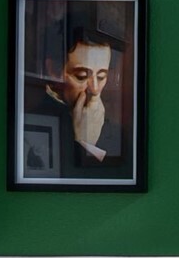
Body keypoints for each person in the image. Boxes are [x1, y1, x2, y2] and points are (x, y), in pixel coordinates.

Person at [26, 25, 128, 177]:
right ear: (53, 70)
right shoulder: (34, 117)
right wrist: (84, 143)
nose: (94, 88)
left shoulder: (116, 131)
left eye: (101, 77)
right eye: (81, 76)